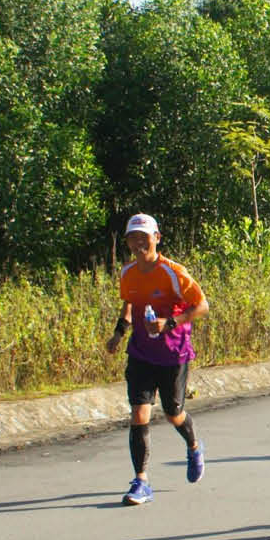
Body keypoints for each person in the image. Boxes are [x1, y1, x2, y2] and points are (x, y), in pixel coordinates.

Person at [105, 213, 209, 505]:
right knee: (139, 413)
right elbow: (129, 305)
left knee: (173, 413)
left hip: (173, 354)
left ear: (157, 238)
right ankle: (141, 481)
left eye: (144, 237)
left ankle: (193, 445)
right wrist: (118, 333)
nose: (139, 243)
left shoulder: (173, 272)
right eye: (133, 238)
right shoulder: (128, 273)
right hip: (140, 353)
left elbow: (202, 306)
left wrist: (170, 323)